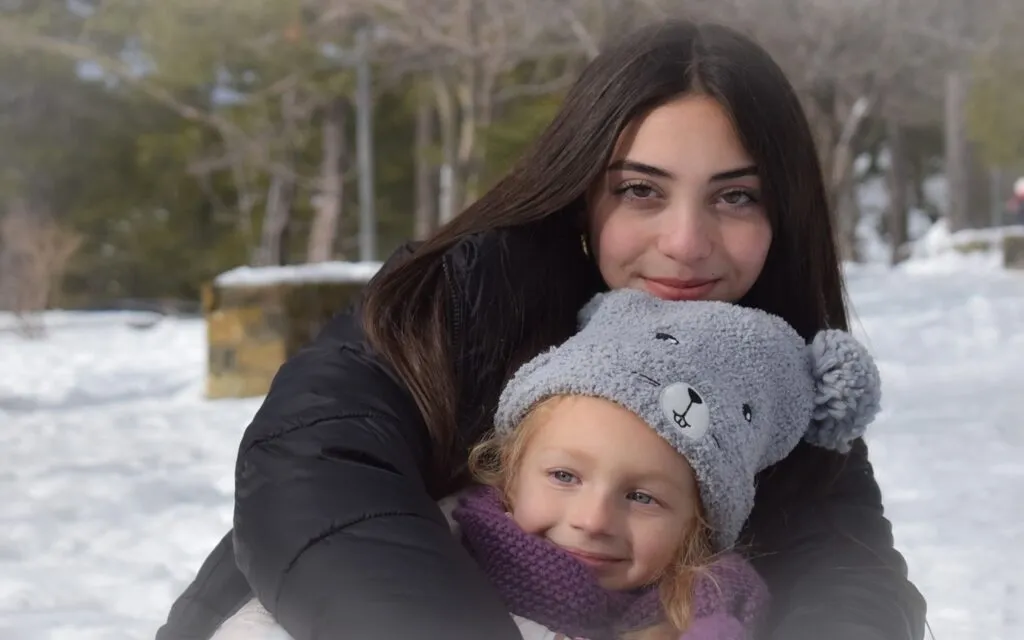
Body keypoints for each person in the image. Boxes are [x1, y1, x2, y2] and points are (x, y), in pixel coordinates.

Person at [157, 19, 927, 640]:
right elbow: (314, 467)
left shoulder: (780, 378)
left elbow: (847, 575)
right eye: (641, 190)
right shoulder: (468, 291)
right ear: (583, 189)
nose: (686, 243)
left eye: (735, 198)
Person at [204, 290, 884, 640]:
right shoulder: (433, 553)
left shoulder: (714, 612)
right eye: (564, 476)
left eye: (643, 497)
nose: (592, 518)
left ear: (698, 524)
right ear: (508, 470)